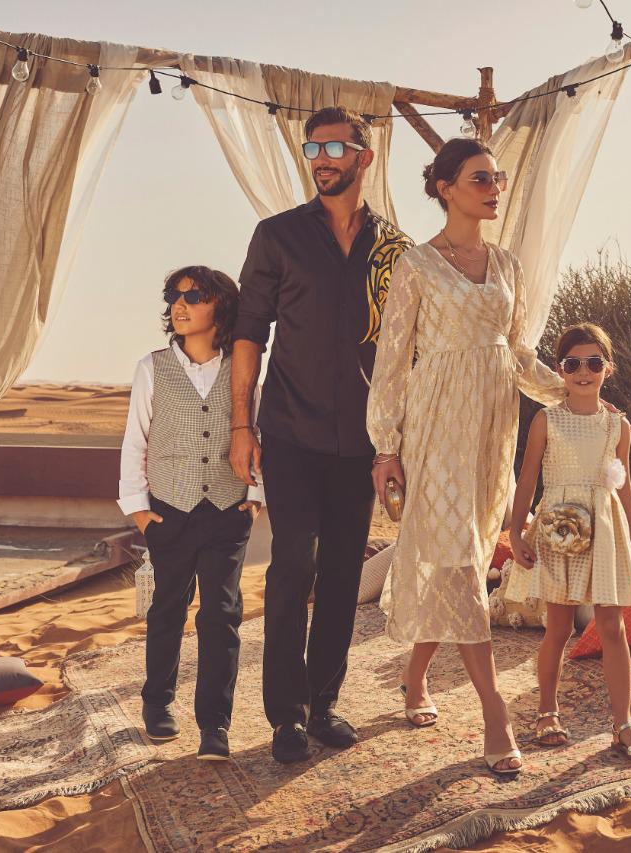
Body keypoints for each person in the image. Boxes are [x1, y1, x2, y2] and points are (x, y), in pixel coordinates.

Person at [367, 137, 567, 777]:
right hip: (436, 426)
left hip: (492, 427)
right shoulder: (417, 265)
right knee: (455, 557)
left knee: (469, 556)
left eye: (497, 178)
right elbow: (392, 362)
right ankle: (494, 714)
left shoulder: (507, 265)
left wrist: (571, 395)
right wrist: (386, 446)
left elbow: (517, 351)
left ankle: (415, 674)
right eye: (481, 178)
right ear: (445, 188)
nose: (494, 188)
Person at [230, 107, 412, 764]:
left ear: (365, 156)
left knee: (341, 570)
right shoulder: (276, 236)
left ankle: (325, 703)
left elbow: (406, 351)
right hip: (289, 430)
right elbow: (249, 335)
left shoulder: (395, 250)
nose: (322, 159)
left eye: (335, 147)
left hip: (361, 439)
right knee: (294, 563)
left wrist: (396, 443)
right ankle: (286, 716)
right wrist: (241, 423)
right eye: (313, 148)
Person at [118, 266, 263, 762]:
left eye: (194, 296)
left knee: (221, 615)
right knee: (168, 608)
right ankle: (157, 702)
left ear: (220, 305)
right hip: (169, 512)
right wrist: (138, 510)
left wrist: (255, 494)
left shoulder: (243, 367)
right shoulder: (151, 367)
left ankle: (214, 724)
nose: (180, 304)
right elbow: (135, 441)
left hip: (227, 508)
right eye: (173, 295)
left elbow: (258, 431)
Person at [509, 323, 631, 763]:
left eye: (594, 362)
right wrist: (516, 532)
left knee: (613, 627)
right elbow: (528, 479)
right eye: (573, 364)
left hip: (605, 531)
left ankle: (623, 724)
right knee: (558, 627)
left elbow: (625, 488)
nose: (584, 372)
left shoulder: (617, 425)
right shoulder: (546, 420)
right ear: (560, 369)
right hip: (560, 530)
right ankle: (547, 712)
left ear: (608, 368)